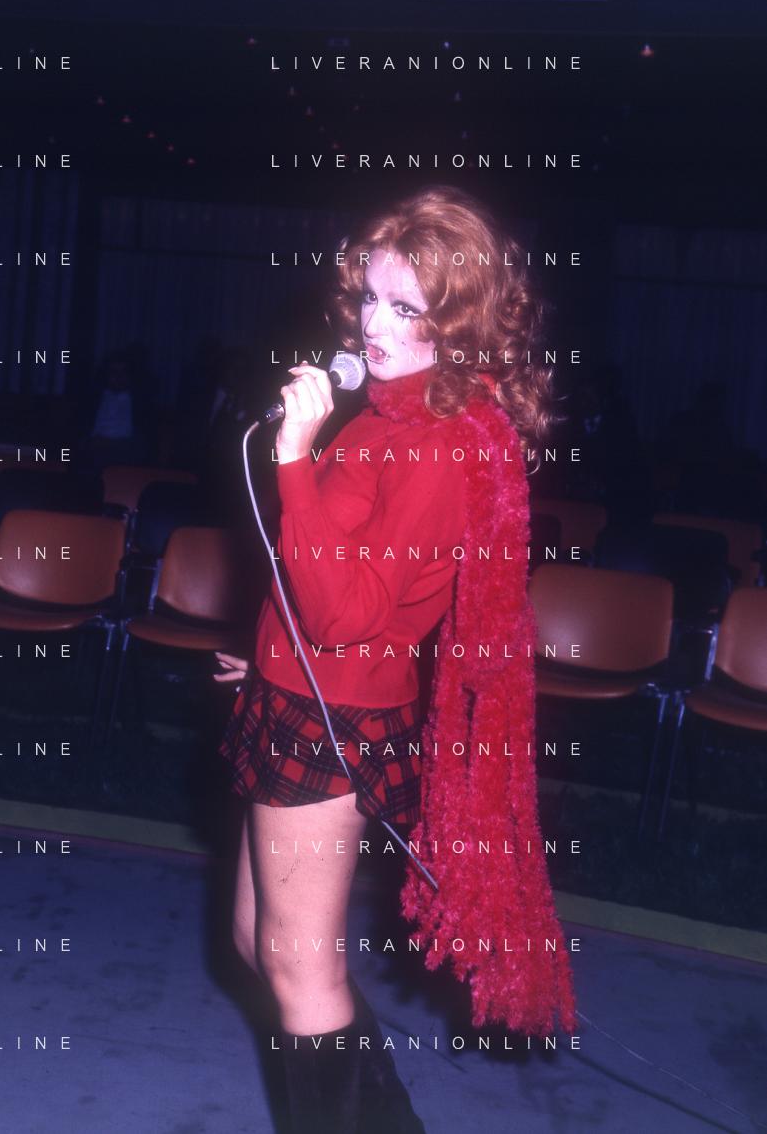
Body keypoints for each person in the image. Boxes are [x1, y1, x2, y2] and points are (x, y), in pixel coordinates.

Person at [214, 186, 576, 1134]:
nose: (374, 325)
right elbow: (330, 581)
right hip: (299, 695)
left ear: (458, 323)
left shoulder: (436, 443)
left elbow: (347, 615)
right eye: (369, 298)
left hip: (332, 718)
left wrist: (293, 457)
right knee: (260, 945)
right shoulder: (384, 417)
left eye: (406, 308)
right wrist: (270, 655)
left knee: (300, 969)